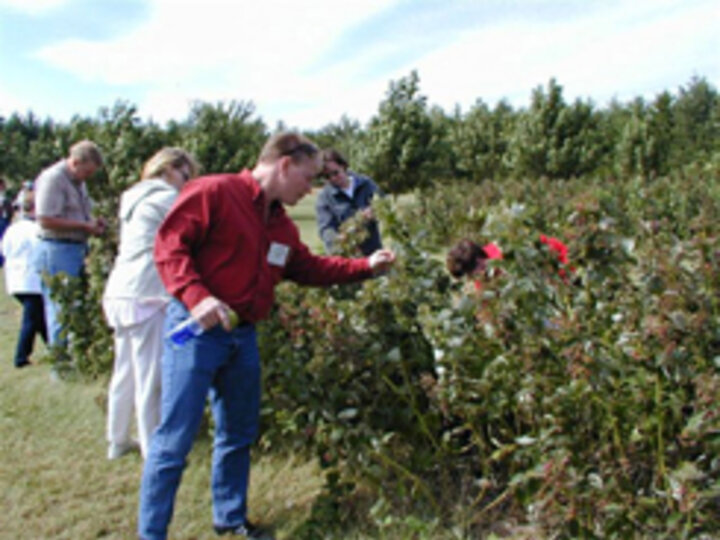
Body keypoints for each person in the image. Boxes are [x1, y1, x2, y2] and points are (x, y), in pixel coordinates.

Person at [138, 132, 395, 540]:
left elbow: (309, 268)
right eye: (308, 178)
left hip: (242, 338)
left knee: (238, 433)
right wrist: (196, 296)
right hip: (198, 331)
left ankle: (230, 518)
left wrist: (366, 266)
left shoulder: (280, 224)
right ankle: (151, 534)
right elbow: (170, 248)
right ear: (285, 165)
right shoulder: (214, 192)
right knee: (174, 439)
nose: (311, 189)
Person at [102, 148, 200, 461]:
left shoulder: (132, 198)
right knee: (151, 376)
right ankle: (153, 447)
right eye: (186, 175)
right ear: (171, 169)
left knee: (125, 370)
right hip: (146, 294)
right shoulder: (165, 199)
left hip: (120, 290)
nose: (187, 182)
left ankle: (117, 439)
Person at [34, 140, 106, 347]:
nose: (88, 177)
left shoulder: (77, 181)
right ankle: (61, 361)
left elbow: (79, 211)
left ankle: (74, 353)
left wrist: (94, 222)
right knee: (60, 306)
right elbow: (45, 219)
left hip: (75, 247)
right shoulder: (53, 179)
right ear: (75, 162)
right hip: (57, 248)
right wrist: (84, 226)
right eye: (87, 172)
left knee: (74, 304)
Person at [0, 188, 47, 368]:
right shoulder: (36, 229)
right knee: (32, 318)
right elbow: (41, 251)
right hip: (31, 279)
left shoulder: (12, 229)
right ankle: (21, 357)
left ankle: (55, 349)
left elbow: (3, 251)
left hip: (15, 278)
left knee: (38, 316)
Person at [315, 148, 383, 255]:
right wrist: (337, 239)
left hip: (374, 253)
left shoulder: (366, 184)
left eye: (335, 173)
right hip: (347, 258)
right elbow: (325, 228)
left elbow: (383, 204)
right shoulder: (324, 198)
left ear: (343, 166)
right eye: (327, 177)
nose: (333, 178)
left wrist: (374, 211)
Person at [0, 177, 16, 266]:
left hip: (5, 220)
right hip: (2, 220)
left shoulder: (4, 196)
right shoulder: (2, 197)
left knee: (4, 240)